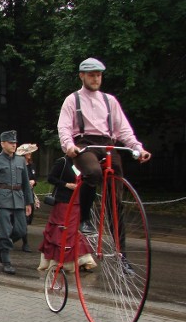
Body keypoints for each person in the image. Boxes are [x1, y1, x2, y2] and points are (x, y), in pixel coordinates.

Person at [58, 57, 151, 236]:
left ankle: (121, 254)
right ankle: (84, 219)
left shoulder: (110, 101)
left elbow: (123, 129)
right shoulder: (72, 100)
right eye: (91, 75)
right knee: (93, 172)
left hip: (108, 145)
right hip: (84, 145)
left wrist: (138, 148)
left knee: (116, 202)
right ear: (81, 76)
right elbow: (64, 127)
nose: (95, 79)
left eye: (99, 75)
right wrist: (69, 145)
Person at [37, 156, 96, 274]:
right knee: (60, 230)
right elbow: (51, 178)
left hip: (77, 201)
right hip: (63, 201)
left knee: (73, 231)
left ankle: (81, 260)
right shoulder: (62, 161)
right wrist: (65, 184)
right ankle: (57, 262)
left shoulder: (82, 163)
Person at [0, 130, 34, 274]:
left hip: (18, 199)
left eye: (15, 143)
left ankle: (1, 245)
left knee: (21, 229)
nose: (14, 145)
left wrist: (28, 202)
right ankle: (6, 260)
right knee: (5, 231)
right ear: (2, 144)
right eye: (11, 143)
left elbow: (25, 182)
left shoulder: (20, 160)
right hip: (2, 199)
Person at [14, 143, 39, 252]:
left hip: (30, 194)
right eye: (28, 152)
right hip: (20, 194)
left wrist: (34, 182)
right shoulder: (18, 165)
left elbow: (34, 178)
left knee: (28, 219)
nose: (30, 154)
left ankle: (16, 238)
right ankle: (24, 242)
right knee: (22, 219)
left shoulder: (31, 165)